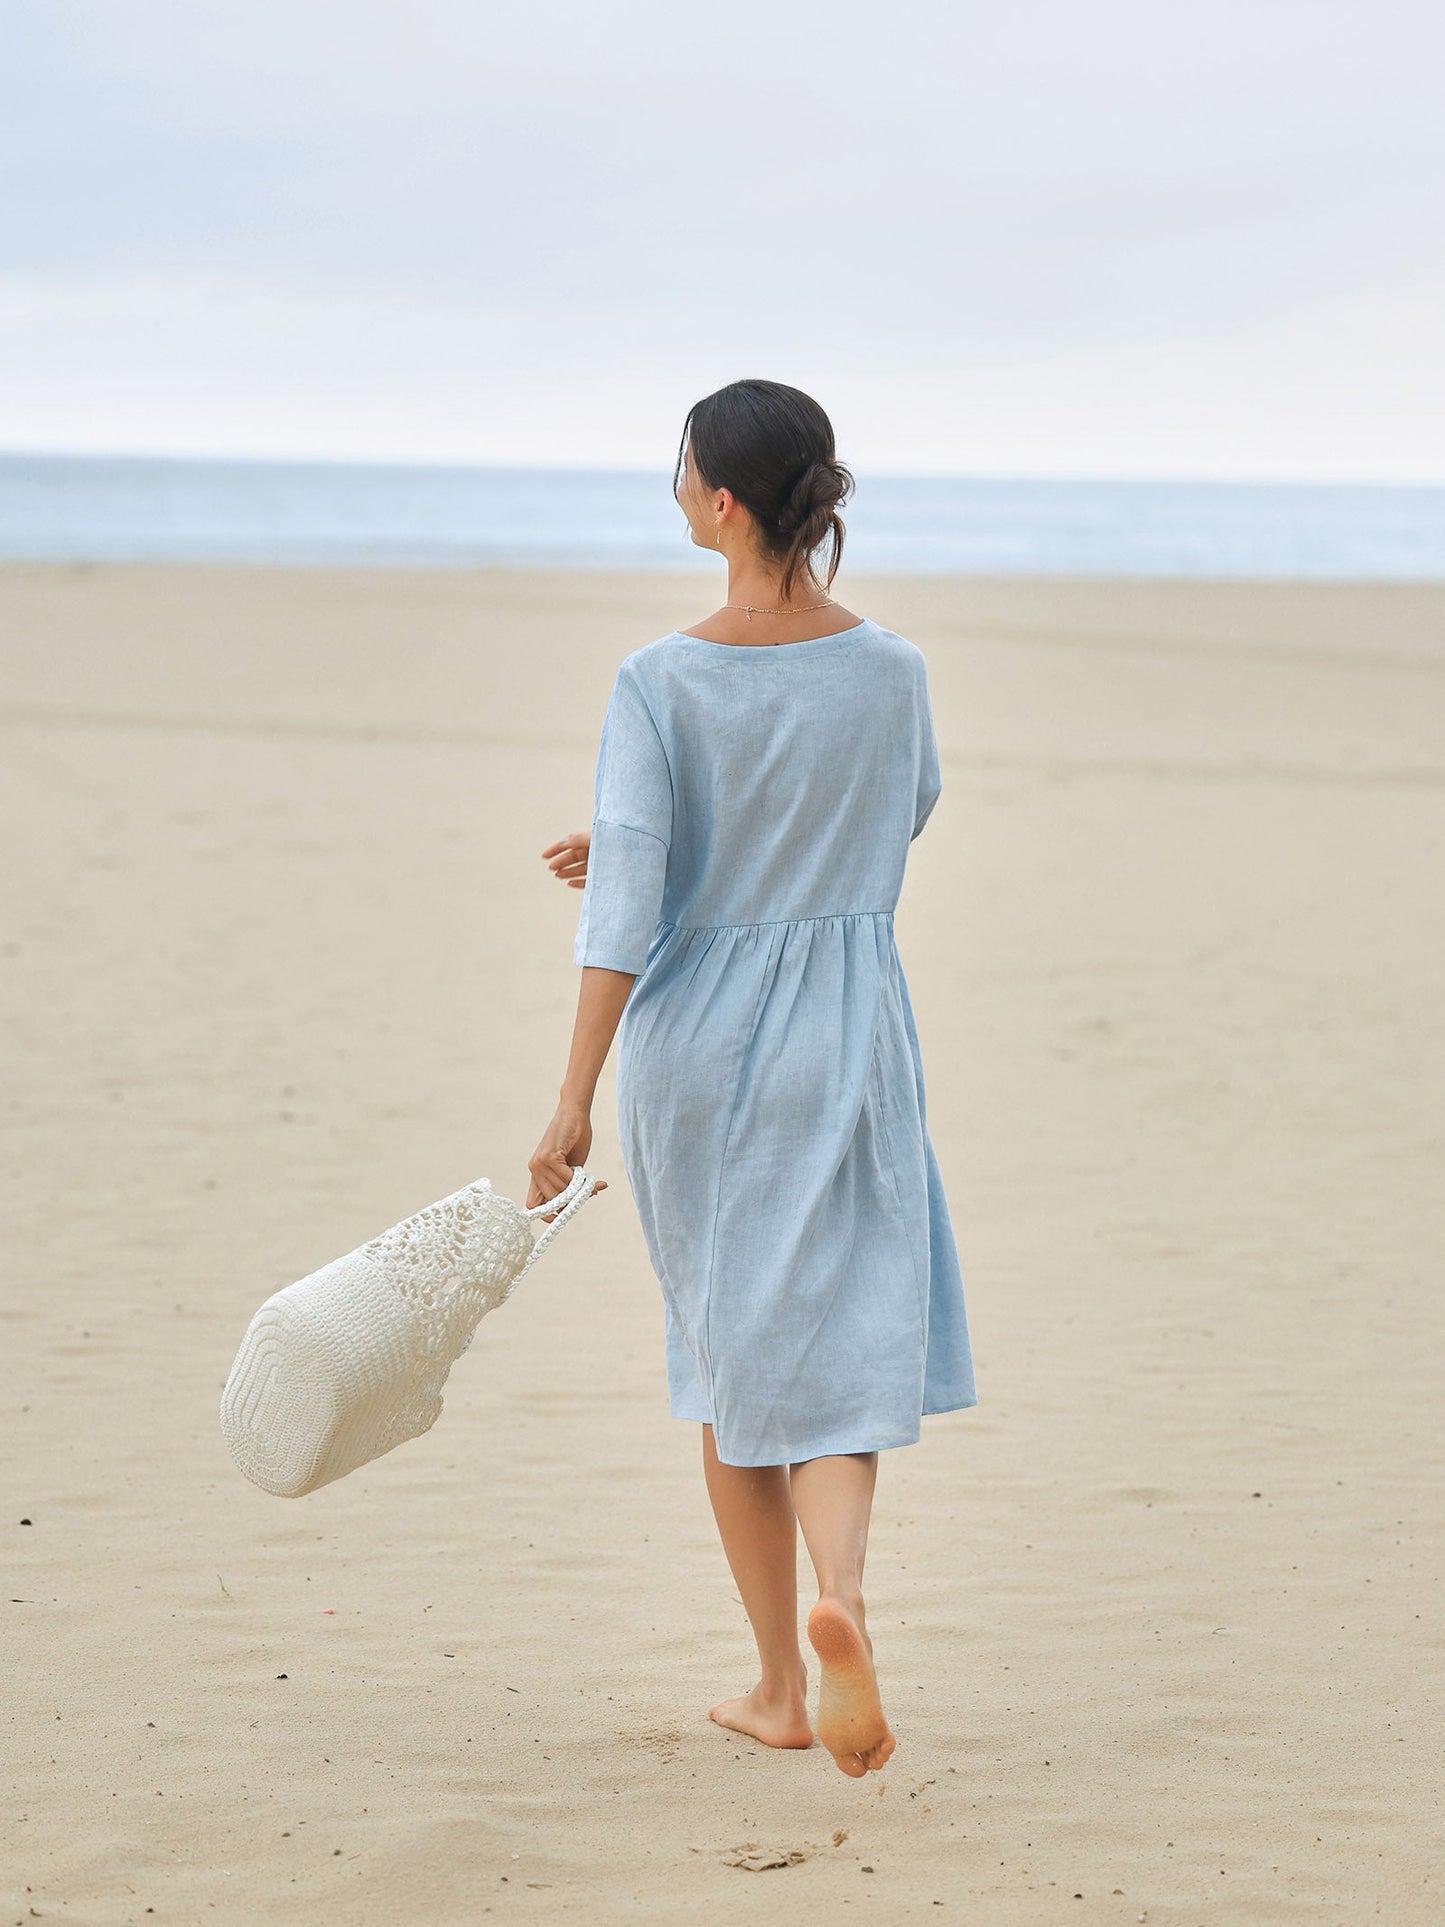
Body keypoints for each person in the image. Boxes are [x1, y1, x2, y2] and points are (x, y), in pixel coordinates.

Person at [528, 378, 976, 1778]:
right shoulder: (890, 667)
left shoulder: (661, 679)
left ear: (722, 501)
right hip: (847, 1027)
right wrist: (714, 855)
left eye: (678, 471)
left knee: (732, 1364)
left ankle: (784, 1683)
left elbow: (627, 919)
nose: (671, 489)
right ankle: (845, 1601)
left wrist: (567, 1100)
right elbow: (892, 816)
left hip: (702, 1045)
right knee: (839, 1346)